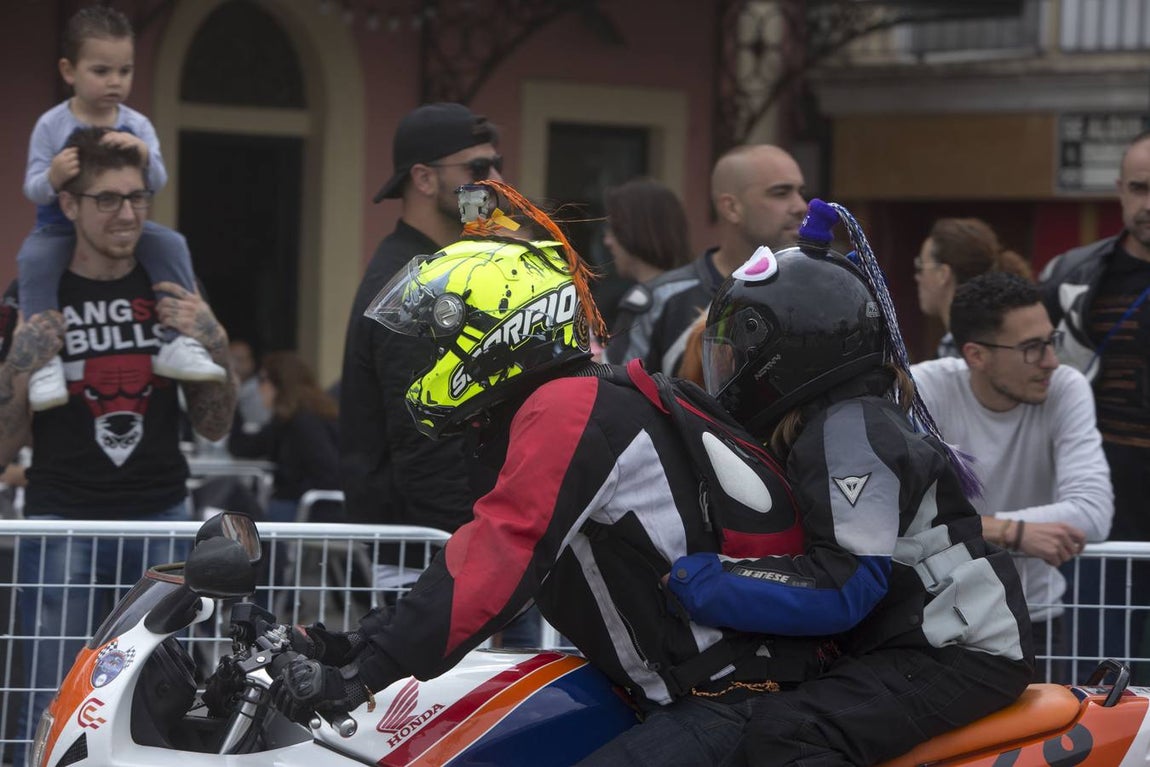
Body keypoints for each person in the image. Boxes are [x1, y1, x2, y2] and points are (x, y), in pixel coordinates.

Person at [272, 182, 833, 766]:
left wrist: (365, 672)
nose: (433, 356)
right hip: (684, 691)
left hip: (732, 695)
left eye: (443, 337)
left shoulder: (568, 407)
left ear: (503, 329)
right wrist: (353, 642)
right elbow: (475, 559)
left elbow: (498, 558)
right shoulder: (577, 400)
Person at [665, 200, 1033, 765]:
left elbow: (843, 589)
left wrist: (701, 583)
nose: (729, 369)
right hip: (917, 642)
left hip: (958, 651)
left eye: (740, 353)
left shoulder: (849, 430)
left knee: (787, 733)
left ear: (789, 350)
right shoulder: (840, 421)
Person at [0, 126, 237, 767]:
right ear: (70, 205)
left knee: (164, 697)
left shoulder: (170, 288)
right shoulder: (35, 294)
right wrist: (22, 364)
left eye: (137, 197)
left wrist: (213, 339)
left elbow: (214, 424)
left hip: (158, 515)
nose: (127, 213)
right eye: (106, 199)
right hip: (59, 521)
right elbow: (4, 444)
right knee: (47, 693)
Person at [18, 6, 224, 413]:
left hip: (124, 227)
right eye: (101, 71)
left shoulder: (138, 125)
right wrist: (55, 175)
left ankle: (176, 341)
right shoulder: (51, 124)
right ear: (68, 71)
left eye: (124, 71)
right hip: (59, 228)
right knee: (33, 259)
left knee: (172, 244)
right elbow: (33, 187)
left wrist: (145, 155)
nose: (115, 82)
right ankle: (44, 362)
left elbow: (158, 182)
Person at [911, 272, 1113, 681]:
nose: (1051, 361)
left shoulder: (1065, 388)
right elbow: (901, 516)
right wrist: (1006, 531)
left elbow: (1094, 511)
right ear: (976, 355)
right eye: (1032, 348)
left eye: (1050, 341)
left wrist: (971, 529)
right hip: (938, 613)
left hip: (1033, 613)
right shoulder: (924, 388)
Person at [339, 102, 503, 529]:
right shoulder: (417, 283)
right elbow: (425, 441)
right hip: (426, 551)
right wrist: (460, 550)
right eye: (479, 167)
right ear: (425, 178)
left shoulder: (439, 267)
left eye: (497, 165)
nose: (497, 182)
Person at [1040, 128, 1150, 679]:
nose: (1149, 203)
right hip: (1101, 495)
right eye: (1140, 187)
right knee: (1100, 666)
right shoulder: (1071, 276)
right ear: (1120, 190)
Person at [605, 144, 806, 375]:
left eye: (801, 192)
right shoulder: (660, 301)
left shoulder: (816, 291)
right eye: (780, 193)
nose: (801, 206)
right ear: (731, 207)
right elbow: (615, 400)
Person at [228, 350, 341, 523]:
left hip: (311, 509)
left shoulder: (305, 421)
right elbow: (243, 447)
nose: (259, 388)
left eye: (262, 380)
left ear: (281, 384)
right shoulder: (286, 420)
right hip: (298, 505)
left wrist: (293, 487)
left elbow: (328, 473)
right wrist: (233, 401)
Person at [601, 177, 691, 360]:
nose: (607, 241)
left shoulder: (645, 304)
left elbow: (614, 379)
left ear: (635, 230)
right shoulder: (702, 293)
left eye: (613, 229)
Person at [915, 217, 1033, 357]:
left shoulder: (958, 348)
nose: (917, 277)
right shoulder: (996, 338)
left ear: (943, 274)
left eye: (920, 266)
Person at [229, 338, 271, 435]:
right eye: (234, 359)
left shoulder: (260, 391)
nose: (238, 364)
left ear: (252, 362)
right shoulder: (223, 389)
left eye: (242, 359)